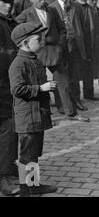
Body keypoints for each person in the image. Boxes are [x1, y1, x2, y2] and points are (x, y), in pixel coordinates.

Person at [15, 0, 88, 123]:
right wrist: (27, 45)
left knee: (64, 83)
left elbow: (62, 29)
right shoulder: (26, 14)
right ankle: (43, 117)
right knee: (41, 86)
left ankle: (71, 113)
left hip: (54, 52)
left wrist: (60, 44)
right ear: (31, 0)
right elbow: (15, 28)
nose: (42, 1)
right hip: (36, 54)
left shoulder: (52, 10)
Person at [9, 22, 58, 197]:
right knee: (26, 155)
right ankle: (25, 191)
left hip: (37, 116)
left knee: (34, 153)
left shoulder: (34, 60)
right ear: (25, 43)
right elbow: (17, 89)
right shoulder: (18, 63)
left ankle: (33, 186)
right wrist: (41, 88)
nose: (42, 42)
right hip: (27, 118)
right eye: (38, 39)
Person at [49, 0, 89, 113]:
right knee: (60, 76)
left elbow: (82, 26)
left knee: (74, 74)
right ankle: (61, 104)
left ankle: (76, 101)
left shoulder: (76, 6)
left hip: (75, 45)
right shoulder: (52, 8)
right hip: (60, 47)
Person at [0, 0, 20, 196]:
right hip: (1, 85)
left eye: (11, 2)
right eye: (4, 2)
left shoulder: (11, 23)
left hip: (11, 85)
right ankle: (3, 177)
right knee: (5, 130)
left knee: (12, 129)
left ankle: (8, 166)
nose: (8, 5)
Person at [73, 0, 99, 101]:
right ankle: (76, 98)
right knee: (76, 71)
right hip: (77, 44)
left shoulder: (90, 8)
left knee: (88, 69)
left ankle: (89, 93)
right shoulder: (72, 8)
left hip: (89, 42)